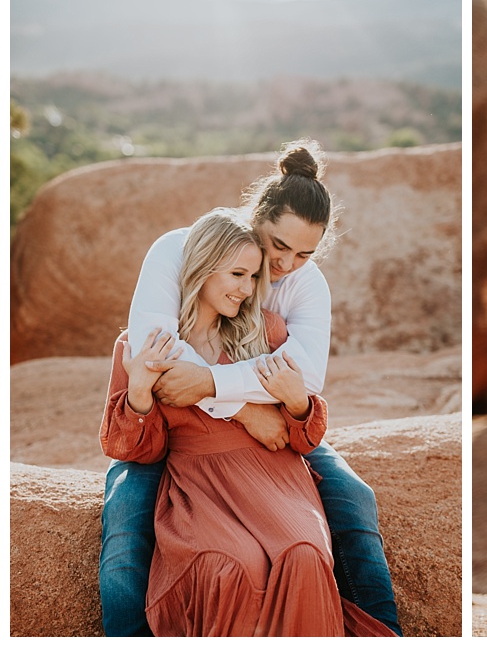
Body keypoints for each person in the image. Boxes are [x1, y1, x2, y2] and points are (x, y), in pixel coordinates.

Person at [99, 141, 402, 636]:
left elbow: (304, 376)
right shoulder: (179, 249)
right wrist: (241, 408)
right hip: (181, 429)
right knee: (124, 538)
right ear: (256, 216)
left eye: (304, 253)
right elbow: (158, 348)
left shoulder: (301, 287)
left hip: (265, 435)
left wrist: (225, 390)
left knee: (353, 497)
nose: (285, 264)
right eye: (278, 247)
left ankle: (379, 633)